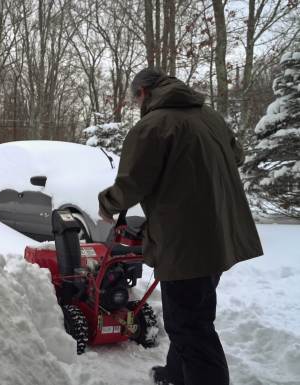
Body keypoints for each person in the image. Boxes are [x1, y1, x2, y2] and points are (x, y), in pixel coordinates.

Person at [98, 68, 263, 385]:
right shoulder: (209, 116)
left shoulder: (154, 126)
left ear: (143, 93)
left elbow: (132, 182)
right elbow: (237, 155)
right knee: (189, 316)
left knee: (190, 325)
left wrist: (107, 205)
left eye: (136, 99)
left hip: (186, 241)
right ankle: (176, 374)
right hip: (218, 234)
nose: (137, 105)